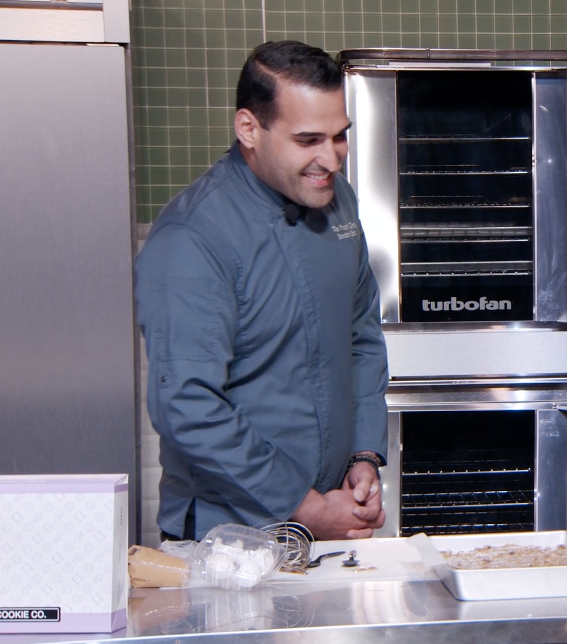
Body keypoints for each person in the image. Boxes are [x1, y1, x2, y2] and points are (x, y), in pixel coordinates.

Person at [135, 41, 389, 542]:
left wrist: (363, 455)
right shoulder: (193, 238)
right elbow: (188, 404)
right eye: (308, 139)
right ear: (249, 129)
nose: (331, 161)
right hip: (228, 539)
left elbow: (360, 336)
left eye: (340, 137)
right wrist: (301, 505)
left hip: (330, 523)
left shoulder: (339, 205)